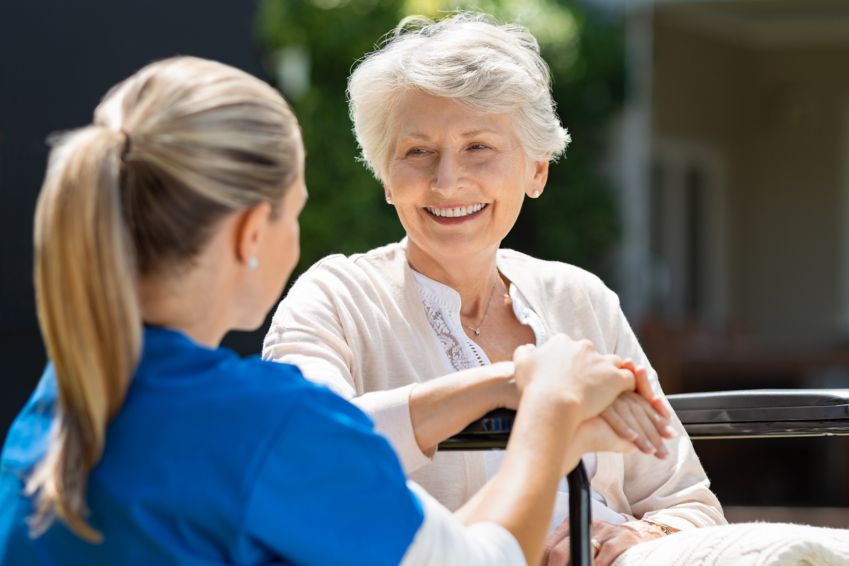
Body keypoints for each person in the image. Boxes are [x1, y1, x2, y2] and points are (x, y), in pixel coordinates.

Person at [0, 56, 657, 566]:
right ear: (252, 234)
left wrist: (504, 382)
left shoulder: (62, 399)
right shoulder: (268, 423)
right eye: (297, 207)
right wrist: (548, 411)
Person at [262, 12, 726, 565]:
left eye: (478, 146)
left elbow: (687, 501)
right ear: (387, 177)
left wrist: (634, 541)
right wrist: (515, 383)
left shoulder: (581, 298)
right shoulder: (334, 297)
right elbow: (305, 454)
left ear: (537, 171)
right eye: (417, 152)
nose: (447, 180)